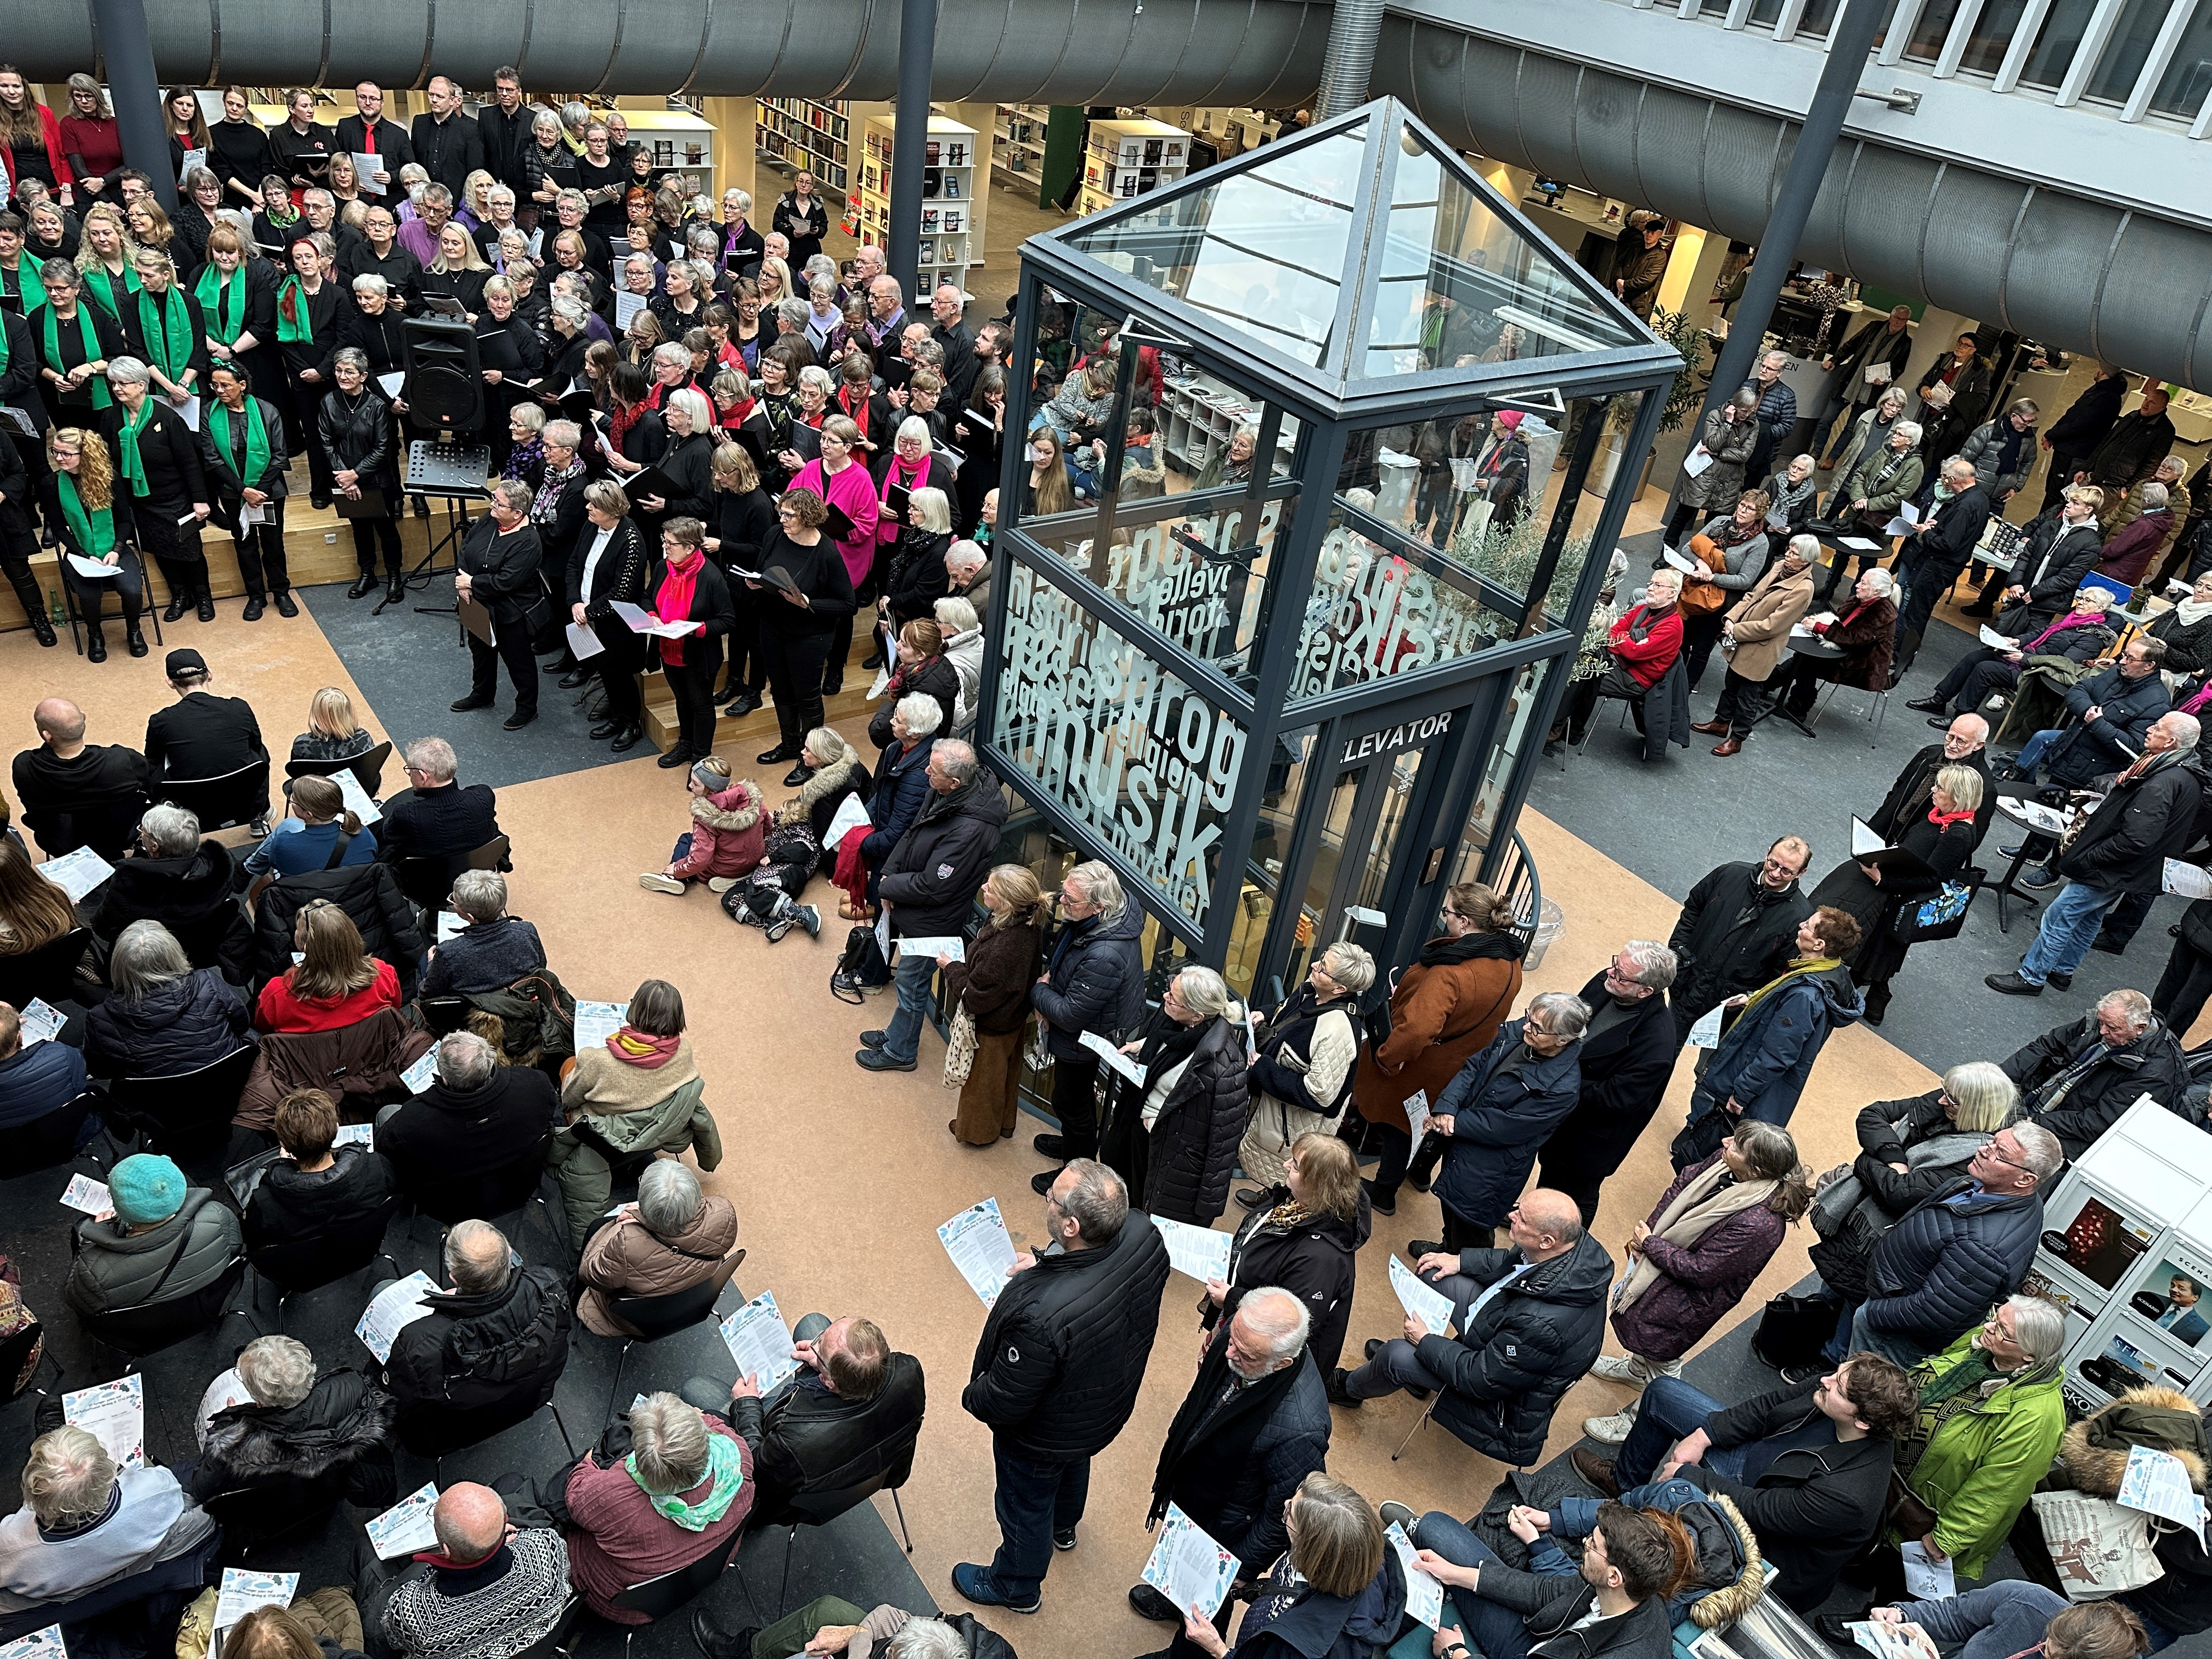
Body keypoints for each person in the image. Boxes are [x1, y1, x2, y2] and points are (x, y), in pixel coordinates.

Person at [953, 1159, 1171, 1614]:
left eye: (1052, 1196)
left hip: (1040, 1432)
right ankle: (1065, 1526)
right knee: (1073, 1462)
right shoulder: (1144, 1235)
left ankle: (1016, 1584)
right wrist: (1050, 1263)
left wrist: (972, 1396)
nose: (1046, 1197)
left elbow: (1005, 1399)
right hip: (1100, 1406)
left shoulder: (1041, 1315)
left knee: (1024, 1502)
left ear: (1071, 1225)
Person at [1571, 1354, 1920, 1612]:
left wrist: (1686, 1477)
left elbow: (1760, 1512)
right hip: (1759, 1468)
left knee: (1679, 1494)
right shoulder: (1829, 1392)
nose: (1826, 1380)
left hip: (1765, 1546)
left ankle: (1624, 1541)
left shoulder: (1851, 1495)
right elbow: (1767, 1407)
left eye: (1839, 1388)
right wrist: (1706, 1434)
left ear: (1863, 1423)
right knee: (1663, 1393)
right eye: (1838, 1372)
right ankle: (1623, 1484)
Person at [1331, 1184, 1611, 1449]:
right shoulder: (1567, 1246)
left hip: (1499, 1395)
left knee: (1395, 1355)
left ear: (1547, 1240)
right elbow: (1514, 1260)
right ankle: (1419, 1373)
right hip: (1501, 1328)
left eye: (1521, 1218)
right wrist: (1459, 1260)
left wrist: (1426, 1341)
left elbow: (1482, 1378)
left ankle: (1348, 1389)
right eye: (1518, 1208)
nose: (1511, 1215)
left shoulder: (1541, 1327)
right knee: (1432, 1269)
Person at [1582, 1125, 1813, 1444]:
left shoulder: (1760, 1223)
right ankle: (1637, 1371)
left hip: (1689, 1299)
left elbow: (1702, 1270)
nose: (1724, 1142)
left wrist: (1651, 1245)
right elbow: (1683, 1184)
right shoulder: (1726, 1162)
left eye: (1736, 1145)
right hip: (1664, 1267)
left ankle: (1637, 1421)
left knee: (1664, 1355)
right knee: (1647, 1336)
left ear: (1756, 1169)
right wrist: (1652, 1231)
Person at [1127, 1288, 1333, 1635]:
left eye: (1245, 1353)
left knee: (1209, 1605)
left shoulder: (1301, 1430)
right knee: (1180, 1558)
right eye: (1232, 1337)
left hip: (1227, 1526)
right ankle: (1172, 1596)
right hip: (1195, 1488)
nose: (1228, 1352)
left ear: (1282, 1363)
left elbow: (1281, 1516)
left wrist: (1241, 1568)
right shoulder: (1245, 1337)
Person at [1852, 1294, 2069, 1596]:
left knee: (1900, 1583)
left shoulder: (2038, 1419)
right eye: (1995, 1316)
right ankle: (1863, 1572)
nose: (1990, 1327)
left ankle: (1870, 1627)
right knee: (1875, 1549)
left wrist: (1946, 1539)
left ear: (2029, 1357)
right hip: (1894, 1479)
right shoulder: (1983, 1341)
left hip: (1927, 1511)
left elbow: (1996, 1492)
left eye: (2003, 1331)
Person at [1808, 1063, 2022, 1366]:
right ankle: (1811, 1329)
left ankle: (1829, 1363)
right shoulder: (1946, 1102)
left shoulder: (1974, 1161)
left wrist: (1866, 1160)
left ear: (1975, 1109)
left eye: (1953, 1100)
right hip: (1861, 1224)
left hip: (1884, 1242)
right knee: (1835, 1282)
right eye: (1945, 1091)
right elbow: (1873, 1114)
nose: (1941, 1101)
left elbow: (1899, 1194)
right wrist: (1894, 1159)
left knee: (1855, 1304)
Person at [1990, 713, 2204, 996]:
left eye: (2158, 728)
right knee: (2091, 918)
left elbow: (2136, 839)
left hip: (2112, 867)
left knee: (2059, 915)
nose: (2150, 729)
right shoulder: (2184, 773)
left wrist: (2089, 857)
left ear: (2171, 741)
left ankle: (2032, 976)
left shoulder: (2161, 782)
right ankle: (2062, 970)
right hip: (2130, 871)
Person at [1844, 1121, 2059, 1369]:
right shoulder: (2007, 1194)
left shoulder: (1985, 1250)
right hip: (1891, 1300)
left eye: (2000, 1154)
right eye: (1992, 1141)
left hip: (1891, 1336)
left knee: (1854, 1390)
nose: (1983, 1150)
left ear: (2025, 1179)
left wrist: (1870, 1315)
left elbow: (1930, 1311)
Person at [1672, 906, 1861, 1166]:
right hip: (1756, 1082)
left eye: (1807, 925)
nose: (1800, 925)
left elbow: (1777, 1055)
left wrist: (1740, 1094)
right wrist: (1752, 1000)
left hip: (1749, 1089)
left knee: (1719, 1153)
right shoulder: (1825, 972)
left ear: (1819, 944)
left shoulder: (1805, 995)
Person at [863, 741, 1008, 1074]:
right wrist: (889, 872)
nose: (926, 771)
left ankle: (901, 1052)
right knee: (907, 983)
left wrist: (888, 886)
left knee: (911, 984)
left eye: (934, 770)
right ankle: (895, 1035)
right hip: (913, 906)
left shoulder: (972, 828)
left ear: (955, 782)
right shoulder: (947, 793)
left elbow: (933, 885)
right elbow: (914, 833)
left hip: (933, 921)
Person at [560, 1389, 759, 1623]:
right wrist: (694, 1419)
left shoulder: (613, 1497)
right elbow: (714, 1423)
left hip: (621, 1603)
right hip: (705, 1571)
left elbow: (575, 1494)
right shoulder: (738, 1456)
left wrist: (588, 1461)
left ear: (641, 1458)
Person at [1809, 764, 1983, 1023]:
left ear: (1957, 797)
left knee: (1883, 948)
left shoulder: (1957, 834)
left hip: (1902, 895)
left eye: (1940, 788)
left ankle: (1866, 995)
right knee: (1879, 948)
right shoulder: (1940, 815)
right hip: (1897, 888)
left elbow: (1932, 878)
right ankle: (1871, 993)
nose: (1933, 790)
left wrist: (1884, 880)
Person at [382, 1217, 569, 1454]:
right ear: (509, 1255)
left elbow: (400, 1402)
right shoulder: (548, 1286)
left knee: (384, 1288)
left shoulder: (420, 1344)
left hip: (448, 1434)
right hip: (523, 1404)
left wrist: (449, 1306)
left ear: (453, 1277)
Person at [1168, 1472, 1404, 1659]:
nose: (1286, 1503)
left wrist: (1217, 1649)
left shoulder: (1300, 1649)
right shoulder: (1355, 1558)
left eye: (1289, 1515)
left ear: (1311, 1549)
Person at [0, 1425, 217, 1621]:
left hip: (64, 1598)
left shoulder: (12, 1544)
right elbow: (169, 1487)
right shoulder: (152, 1493)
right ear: (108, 1473)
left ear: (33, 1487)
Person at [1535, 942, 1682, 1227]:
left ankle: (1566, 1252)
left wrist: (1558, 1085)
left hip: (1590, 1137)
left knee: (1577, 1196)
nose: (1610, 973)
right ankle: (1537, 1218)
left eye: (1621, 974)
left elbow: (1615, 1099)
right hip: (1563, 1114)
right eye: (1616, 963)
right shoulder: (1608, 984)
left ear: (1645, 991)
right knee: (1550, 1172)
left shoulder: (1657, 1044)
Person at [1094, 963, 1254, 1221]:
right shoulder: (1179, 1021)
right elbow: (1171, 1045)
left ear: (1197, 1015)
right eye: (1170, 990)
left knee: (1140, 1211)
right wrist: (1142, 1045)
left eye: (1174, 998)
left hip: (1166, 1152)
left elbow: (1223, 1143)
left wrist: (1208, 1206)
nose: (1165, 997)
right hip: (1139, 1130)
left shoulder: (1224, 1068)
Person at [191, 1331, 396, 1516]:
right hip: (325, 1488)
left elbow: (202, 1489)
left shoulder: (236, 1443)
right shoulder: (355, 1387)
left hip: (270, 1504)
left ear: (259, 1400)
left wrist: (234, 1420)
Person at [1029, 861, 1149, 1166]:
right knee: (1070, 1099)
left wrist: (1040, 990)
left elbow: (1070, 1015)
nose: (1061, 902)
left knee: (1071, 1103)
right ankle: (1073, 1144)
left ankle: (1077, 1169)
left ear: (1098, 907)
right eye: (1064, 892)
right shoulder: (1101, 920)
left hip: (1087, 1038)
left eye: (1070, 899)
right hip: (1089, 1026)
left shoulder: (1104, 954)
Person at [363, 1483, 571, 1659]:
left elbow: (392, 1638)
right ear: (505, 1525)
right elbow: (566, 1570)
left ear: (444, 1550)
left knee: (366, 1552)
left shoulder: (416, 1614)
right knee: (512, 1482)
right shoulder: (544, 1547)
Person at [1238, 943, 1374, 1197]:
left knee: (1293, 1180)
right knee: (1281, 1179)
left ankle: (1274, 1209)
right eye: (1321, 960)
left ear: (1340, 989)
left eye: (1323, 968)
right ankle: (1270, 1198)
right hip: (1277, 1117)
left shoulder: (1337, 1030)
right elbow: (1290, 1015)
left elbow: (1318, 1095)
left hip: (1294, 1129)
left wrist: (1264, 1069)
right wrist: (1265, 1015)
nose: (1314, 966)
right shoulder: (1316, 992)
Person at [2001, 988, 2192, 1157]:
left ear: (2140, 1028)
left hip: (2068, 1135)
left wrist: (2033, 1121)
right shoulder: (2106, 1021)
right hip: (2042, 1102)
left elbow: (2096, 1122)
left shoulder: (2154, 1074)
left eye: (2112, 1028)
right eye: (2102, 1023)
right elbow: (2048, 1045)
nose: (2102, 1031)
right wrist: (2000, 1079)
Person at [1678, 842, 1824, 1058]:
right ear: (1767, 853)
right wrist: (1678, 952)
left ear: (1801, 873)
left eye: (1786, 871)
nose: (1775, 873)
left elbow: (1781, 975)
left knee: (1709, 1077)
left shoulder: (1798, 918)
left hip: (1728, 1011)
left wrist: (1749, 997)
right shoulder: (1730, 874)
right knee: (1656, 1057)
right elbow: (1693, 909)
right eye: (1773, 863)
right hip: (1686, 985)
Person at [1911, 576, 2118, 723]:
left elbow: (2064, 663)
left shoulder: (2093, 638)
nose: (2080, 602)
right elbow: (2041, 632)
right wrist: (2016, 641)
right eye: (2081, 598)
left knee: (1985, 669)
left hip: (2037, 674)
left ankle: (1961, 717)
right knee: (1976, 657)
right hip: (2026, 658)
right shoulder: (2071, 620)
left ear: (2099, 608)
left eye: (2087, 601)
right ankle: (1939, 700)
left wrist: (2025, 658)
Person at [64, 1150, 243, 1319]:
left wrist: (92, 1241)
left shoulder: (95, 1271)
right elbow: (235, 1249)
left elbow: (79, 1303)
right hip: (208, 1308)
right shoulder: (218, 1214)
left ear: (120, 1211)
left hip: (145, 1330)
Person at [102, 356, 214, 626]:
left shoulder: (167, 417)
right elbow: (107, 460)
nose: (117, 389)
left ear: (142, 385)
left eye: (124, 384)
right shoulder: (110, 417)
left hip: (175, 498)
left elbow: (190, 462)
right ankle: (180, 596)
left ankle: (203, 598)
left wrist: (200, 500)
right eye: (113, 383)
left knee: (189, 550)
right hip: (140, 502)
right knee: (160, 551)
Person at [752, 488, 859, 770]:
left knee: (808, 698)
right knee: (780, 691)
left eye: (790, 514)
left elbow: (848, 604)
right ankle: (790, 745)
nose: (783, 518)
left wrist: (809, 602)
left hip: (810, 636)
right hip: (773, 628)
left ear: (808, 517)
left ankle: (811, 758)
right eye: (782, 512)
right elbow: (764, 569)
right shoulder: (774, 535)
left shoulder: (827, 553)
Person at [380, 1029, 559, 1198]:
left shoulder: (411, 1121)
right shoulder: (534, 1083)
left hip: (450, 1200)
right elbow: (552, 1113)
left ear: (444, 1078)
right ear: (490, 1062)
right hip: (517, 1190)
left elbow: (385, 1148)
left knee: (387, 1112)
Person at [945, 865, 1051, 1148]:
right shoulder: (1027, 923)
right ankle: (1004, 1124)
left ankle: (976, 1133)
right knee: (1005, 1076)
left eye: (990, 888)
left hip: (992, 1025)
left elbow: (975, 997)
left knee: (982, 1084)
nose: (983, 888)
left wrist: (951, 968)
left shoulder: (1005, 944)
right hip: (1013, 1018)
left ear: (1006, 901)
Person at [576, 1159, 738, 1337]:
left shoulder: (627, 1244)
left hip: (640, 1320)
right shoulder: (724, 1213)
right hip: (696, 1301)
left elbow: (590, 1276)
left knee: (596, 1226)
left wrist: (620, 1225)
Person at [91, 803, 253, 979]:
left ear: (154, 847)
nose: (140, 834)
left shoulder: (131, 884)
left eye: (142, 831)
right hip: (204, 949)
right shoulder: (220, 865)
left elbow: (102, 928)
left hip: (152, 958)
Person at [83, 919, 252, 1081]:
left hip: (159, 1104)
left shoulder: (100, 1019)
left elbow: (100, 1071)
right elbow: (242, 1024)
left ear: (117, 965)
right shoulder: (207, 982)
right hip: (229, 1078)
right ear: (174, 954)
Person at [1694, 532, 1817, 754]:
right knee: (1731, 685)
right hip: (1742, 639)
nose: (1788, 554)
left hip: (1761, 648)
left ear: (1806, 561)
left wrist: (1737, 630)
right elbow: (1752, 595)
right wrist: (1731, 617)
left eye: (1794, 553)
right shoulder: (1779, 567)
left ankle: (1737, 739)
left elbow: (1773, 626)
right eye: (1789, 549)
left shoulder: (1804, 589)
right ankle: (1721, 723)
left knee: (1748, 696)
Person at [2003, 635, 2171, 792]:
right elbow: (2079, 689)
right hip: (2071, 746)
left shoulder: (2157, 702)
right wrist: (2088, 712)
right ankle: (2019, 782)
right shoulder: (2116, 672)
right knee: (2042, 744)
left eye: (2131, 659)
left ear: (2149, 665)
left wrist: (2098, 723)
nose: (2122, 661)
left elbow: (2133, 747)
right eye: (2125, 654)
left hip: (2092, 769)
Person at [40, 422, 146, 662]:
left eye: (66, 453)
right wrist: (85, 555)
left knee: (131, 589)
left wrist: (117, 550)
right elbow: (58, 528)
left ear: (84, 454)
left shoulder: (108, 478)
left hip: (114, 549)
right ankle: (95, 634)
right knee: (88, 596)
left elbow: (124, 521)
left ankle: (134, 631)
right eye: (55, 452)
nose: (59, 458)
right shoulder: (51, 484)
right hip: (80, 553)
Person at [242, 1085, 396, 1248]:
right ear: (336, 1130)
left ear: (283, 1144)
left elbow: (251, 1237)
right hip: (361, 1251)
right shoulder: (377, 1167)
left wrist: (284, 1165)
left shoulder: (265, 1203)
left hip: (296, 1268)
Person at [198, 360, 295, 611]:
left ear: (242, 385)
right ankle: (256, 596)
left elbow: (279, 456)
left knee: (273, 544)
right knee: (245, 545)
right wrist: (243, 490)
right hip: (233, 493)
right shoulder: (209, 413)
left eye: (226, 385)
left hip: (269, 492)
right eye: (215, 385)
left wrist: (258, 491)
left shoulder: (267, 411)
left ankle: (281, 592)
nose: (219, 390)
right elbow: (212, 458)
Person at [640, 515, 736, 769]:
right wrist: (652, 616)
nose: (665, 547)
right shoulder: (664, 567)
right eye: (665, 541)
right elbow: (647, 597)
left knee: (701, 705)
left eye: (670, 543)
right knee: (682, 700)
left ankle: (701, 758)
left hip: (698, 655)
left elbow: (728, 620)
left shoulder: (711, 577)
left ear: (690, 548)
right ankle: (685, 744)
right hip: (669, 650)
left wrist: (695, 629)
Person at [451, 478, 545, 730]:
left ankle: (527, 708)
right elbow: (467, 547)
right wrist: (463, 580)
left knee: (518, 662)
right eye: (494, 500)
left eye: (499, 503)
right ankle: (482, 694)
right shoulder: (491, 519)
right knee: (480, 651)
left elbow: (507, 581)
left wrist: (471, 583)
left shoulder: (528, 542)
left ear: (517, 513)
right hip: (477, 603)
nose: (493, 506)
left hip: (510, 611)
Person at [1556, 569, 1683, 750]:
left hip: (1635, 679)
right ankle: (1561, 724)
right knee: (1585, 659)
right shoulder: (1642, 609)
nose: (1650, 589)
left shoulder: (1672, 627)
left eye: (1658, 585)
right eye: (1650, 583)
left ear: (1672, 593)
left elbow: (1634, 654)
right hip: (1619, 663)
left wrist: (1625, 641)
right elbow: (1614, 633)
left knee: (1585, 675)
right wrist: (1629, 639)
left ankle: (1559, 725)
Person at [11, 695, 150, 858]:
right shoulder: (124, 761)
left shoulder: (24, 767)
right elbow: (149, 787)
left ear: (47, 735)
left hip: (59, 843)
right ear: (84, 719)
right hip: (118, 838)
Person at [319, 348, 405, 601]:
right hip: (345, 480)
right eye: (338, 371)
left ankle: (394, 578)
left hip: (377, 480)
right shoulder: (328, 402)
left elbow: (383, 450)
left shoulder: (378, 406)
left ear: (364, 376)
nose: (342, 376)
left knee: (387, 530)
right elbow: (325, 443)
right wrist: (345, 478)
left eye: (349, 372)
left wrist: (354, 475)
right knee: (360, 530)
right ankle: (367, 575)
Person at [1771, 564, 1898, 731]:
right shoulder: (1859, 600)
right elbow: (1838, 619)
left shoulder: (1882, 615)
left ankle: (1796, 705)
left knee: (1807, 663)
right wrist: (1818, 621)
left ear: (1876, 592)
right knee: (1803, 659)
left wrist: (1818, 627)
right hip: (1848, 652)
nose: (1857, 585)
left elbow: (1853, 637)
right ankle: (1783, 696)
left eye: (1863, 583)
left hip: (1861, 666)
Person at [256, 900, 400, 1034]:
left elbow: (265, 1029)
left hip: (312, 1061)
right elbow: (394, 1012)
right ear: (353, 936)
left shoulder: (276, 996)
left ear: (303, 946)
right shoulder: (383, 975)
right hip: (376, 1057)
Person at [144, 647, 268, 804]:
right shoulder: (239, 707)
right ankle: (262, 811)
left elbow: (152, 763)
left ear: (170, 682)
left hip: (191, 809)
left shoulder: (160, 721)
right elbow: (256, 745)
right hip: (243, 804)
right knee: (260, 752)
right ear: (209, 675)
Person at [1868, 714, 1996, 847]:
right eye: (1950, 737)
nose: (1951, 745)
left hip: (1918, 848)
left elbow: (1973, 835)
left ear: (1978, 745)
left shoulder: (1981, 786)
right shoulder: (1929, 754)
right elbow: (1899, 787)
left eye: (1961, 742)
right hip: (1887, 828)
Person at [416, 868, 544, 1000]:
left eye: (454, 901)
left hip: (472, 1013)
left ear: (470, 918)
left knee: (423, 961)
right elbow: (540, 969)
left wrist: (433, 964)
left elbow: (426, 993)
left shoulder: (449, 952)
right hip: (520, 1002)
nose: (453, 902)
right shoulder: (527, 931)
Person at [378, 737, 501, 863]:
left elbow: (388, 836)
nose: (410, 777)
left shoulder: (406, 815)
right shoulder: (483, 796)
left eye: (410, 772)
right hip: (477, 873)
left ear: (423, 776)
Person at [1663, 390, 1759, 549]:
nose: (1747, 415)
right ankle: (1666, 551)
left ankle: (1702, 557)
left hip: (1729, 481)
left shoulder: (1753, 424)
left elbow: (1744, 455)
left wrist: (1718, 453)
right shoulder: (1716, 415)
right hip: (1705, 475)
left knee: (1717, 524)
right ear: (1734, 406)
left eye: (1751, 411)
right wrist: (1728, 423)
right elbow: (1713, 442)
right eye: (1744, 411)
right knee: (1683, 515)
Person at [244, 774, 376, 885]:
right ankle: (246, 870)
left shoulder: (285, 844)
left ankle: (246, 870)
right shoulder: (364, 833)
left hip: (305, 898)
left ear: (308, 814)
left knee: (287, 826)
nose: (292, 803)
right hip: (353, 895)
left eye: (293, 802)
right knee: (289, 824)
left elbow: (279, 865)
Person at [0, 998, 89, 1137]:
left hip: (14, 1152)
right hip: (65, 1136)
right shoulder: (63, 1056)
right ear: (20, 1038)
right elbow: (80, 1084)